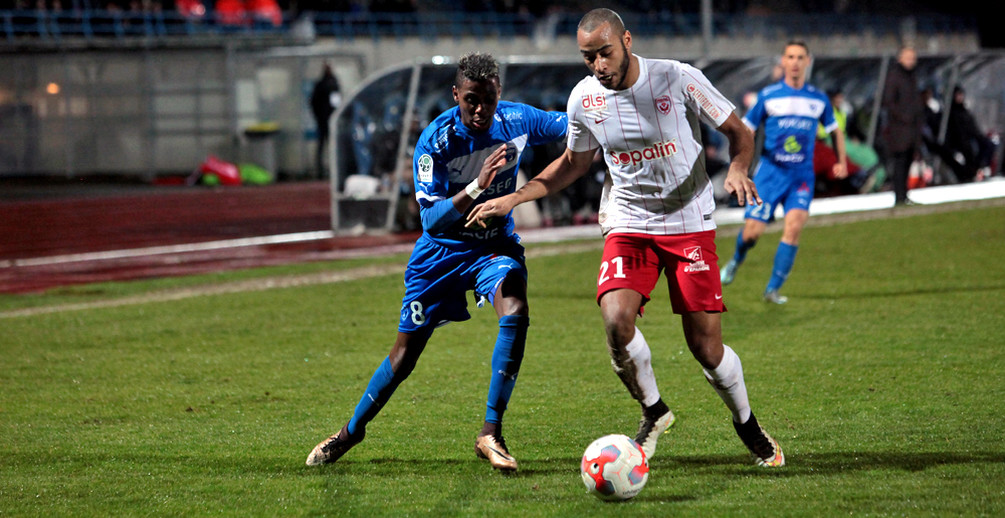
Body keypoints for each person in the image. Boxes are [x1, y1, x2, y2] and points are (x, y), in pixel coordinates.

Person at [467, 8, 784, 468]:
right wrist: (515, 197)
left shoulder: (677, 79)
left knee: (707, 349)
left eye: (604, 53)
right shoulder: (584, 99)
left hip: (689, 221)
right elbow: (574, 164)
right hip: (629, 222)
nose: (598, 65)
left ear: (627, 41)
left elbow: (740, 132)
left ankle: (746, 423)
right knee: (616, 319)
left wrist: (738, 168)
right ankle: (654, 412)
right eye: (588, 57)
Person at [305, 53, 568, 472]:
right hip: (440, 253)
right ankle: (350, 432)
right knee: (405, 354)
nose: (480, 110)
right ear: (455, 95)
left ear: (499, 92)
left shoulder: (518, 120)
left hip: (492, 247)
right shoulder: (435, 140)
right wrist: (478, 187)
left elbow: (577, 123)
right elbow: (429, 218)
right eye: (470, 101)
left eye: (487, 99)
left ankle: (490, 432)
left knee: (515, 307)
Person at [720, 40, 847, 304]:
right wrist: (740, 164)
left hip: (801, 177)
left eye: (801, 57)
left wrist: (841, 161)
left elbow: (835, 129)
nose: (796, 62)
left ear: (808, 61)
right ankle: (736, 259)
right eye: (791, 57)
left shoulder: (818, 98)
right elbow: (747, 129)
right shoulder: (769, 96)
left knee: (794, 228)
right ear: (783, 61)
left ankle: (772, 290)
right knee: (752, 233)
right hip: (770, 174)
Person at [879, 46, 924, 205]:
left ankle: (904, 195)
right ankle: (899, 196)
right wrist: (904, 117)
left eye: (913, 57)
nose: (911, 61)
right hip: (900, 130)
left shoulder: (912, 77)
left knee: (907, 162)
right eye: (908, 57)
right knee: (900, 163)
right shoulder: (894, 77)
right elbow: (888, 102)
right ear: (900, 58)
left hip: (912, 129)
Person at [946, 86, 997, 182]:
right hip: (961, 142)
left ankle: (982, 168)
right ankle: (974, 172)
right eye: (957, 95)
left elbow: (974, 128)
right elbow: (955, 132)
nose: (959, 97)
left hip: (973, 138)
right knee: (970, 150)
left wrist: (980, 136)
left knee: (989, 144)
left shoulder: (965, 110)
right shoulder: (951, 113)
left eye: (961, 95)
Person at [310, 63, 342, 178]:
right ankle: (333, 170)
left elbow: (313, 102)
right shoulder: (332, 84)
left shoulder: (320, 84)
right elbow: (336, 103)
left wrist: (318, 116)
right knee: (330, 146)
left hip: (323, 120)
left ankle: (322, 170)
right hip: (328, 120)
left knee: (323, 146)